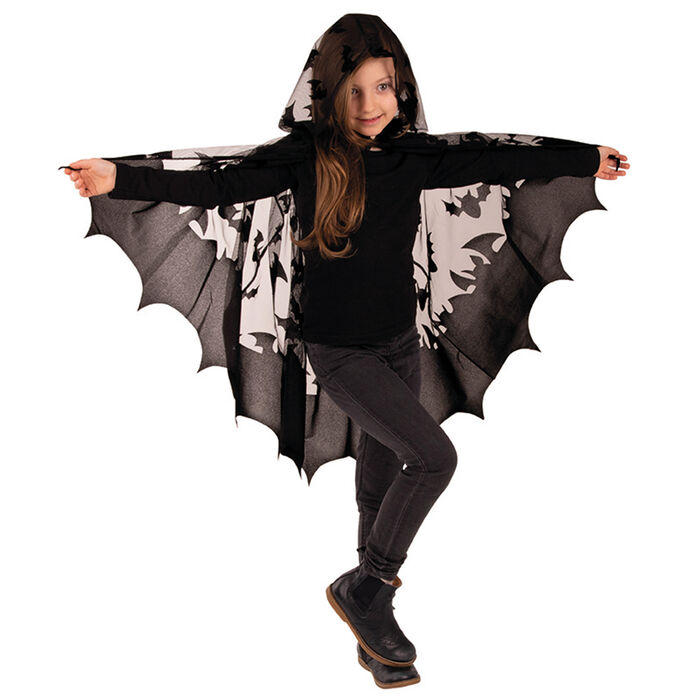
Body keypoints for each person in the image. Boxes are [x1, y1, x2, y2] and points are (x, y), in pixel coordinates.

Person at [62, 13, 629, 689]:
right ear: (326, 94)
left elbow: (502, 157)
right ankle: (367, 587)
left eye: (382, 87)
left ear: (402, 89)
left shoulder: (416, 158)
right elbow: (213, 183)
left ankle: (374, 635)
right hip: (338, 352)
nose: (368, 106)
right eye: (352, 91)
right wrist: (119, 176)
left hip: (401, 345)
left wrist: (586, 158)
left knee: (381, 481)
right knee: (435, 458)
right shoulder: (304, 157)